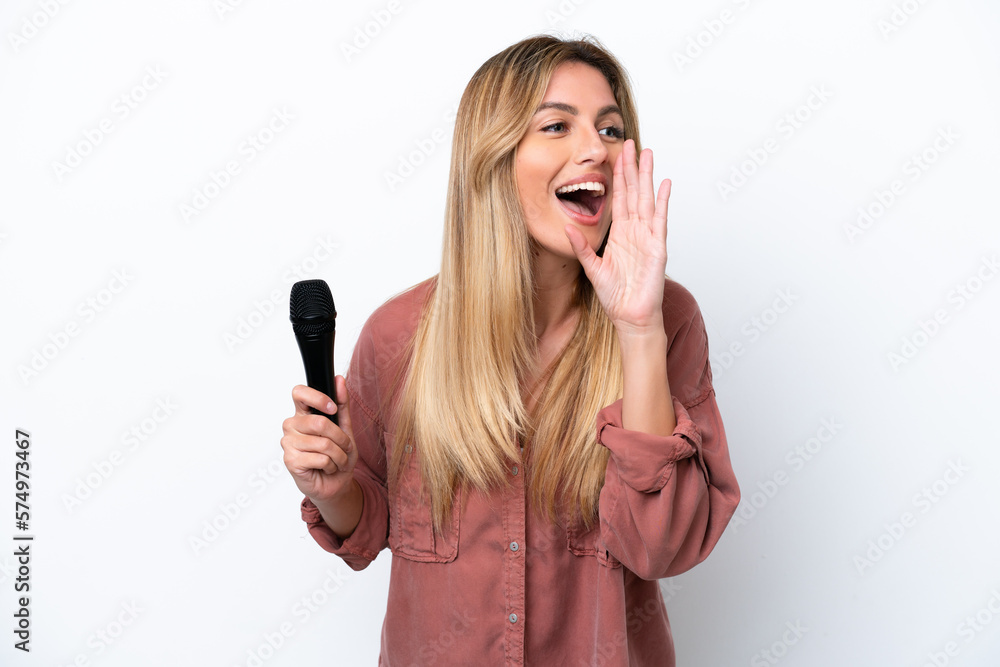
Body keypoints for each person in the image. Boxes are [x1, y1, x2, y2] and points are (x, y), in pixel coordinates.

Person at [281, 33, 740, 666]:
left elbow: (663, 548)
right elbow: (371, 521)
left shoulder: (669, 321)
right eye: (557, 125)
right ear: (493, 157)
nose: (596, 151)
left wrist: (637, 330)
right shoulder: (398, 336)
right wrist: (333, 488)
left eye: (611, 131)